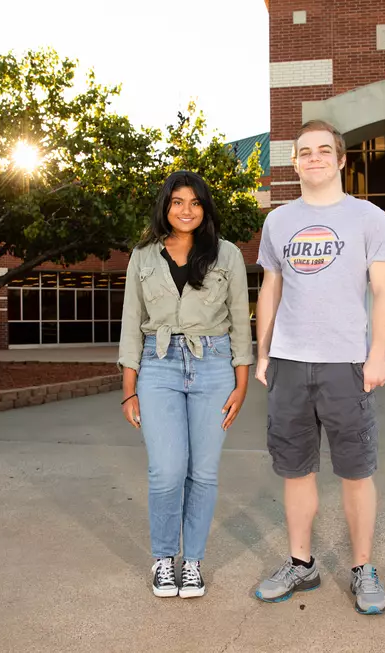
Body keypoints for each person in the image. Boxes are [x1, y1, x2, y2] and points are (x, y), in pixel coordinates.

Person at [252, 120, 385, 615]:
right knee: (295, 471)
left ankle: (362, 568)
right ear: (294, 162)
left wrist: (376, 353)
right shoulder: (278, 223)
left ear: (340, 161)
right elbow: (270, 290)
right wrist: (264, 352)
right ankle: (301, 564)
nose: (312, 158)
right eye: (303, 152)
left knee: (355, 472)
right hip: (291, 363)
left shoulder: (368, 218)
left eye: (322, 151)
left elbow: (384, 290)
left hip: (346, 364)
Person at [117, 170, 254, 599]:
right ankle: (163, 559)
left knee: (204, 471)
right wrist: (129, 386)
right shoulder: (142, 256)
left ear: (205, 208)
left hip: (213, 366)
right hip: (159, 367)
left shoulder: (226, 254)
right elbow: (130, 325)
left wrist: (241, 382)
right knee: (166, 471)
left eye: (195, 202)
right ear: (165, 206)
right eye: (177, 201)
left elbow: (239, 322)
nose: (186, 210)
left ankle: (191, 562)